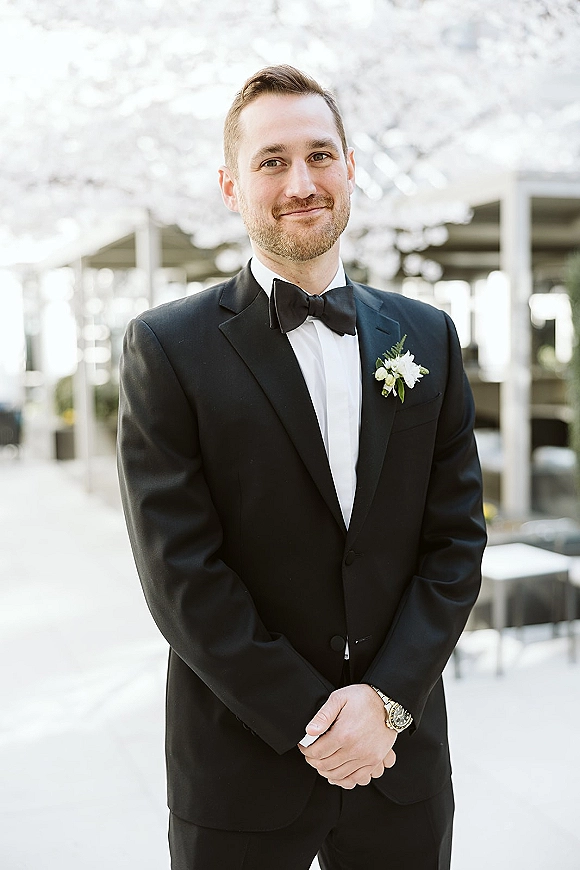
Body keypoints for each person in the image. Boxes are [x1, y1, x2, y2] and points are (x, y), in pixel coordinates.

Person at [117, 65, 486, 870]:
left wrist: (386, 703)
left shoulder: (427, 338)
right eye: (272, 160)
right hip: (241, 768)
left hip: (400, 763)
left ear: (350, 166)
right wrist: (315, 721)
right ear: (230, 185)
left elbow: (456, 543)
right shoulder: (165, 348)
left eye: (321, 155)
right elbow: (180, 571)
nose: (302, 181)